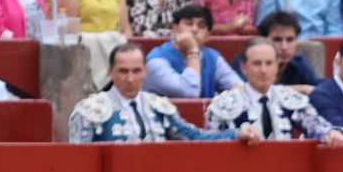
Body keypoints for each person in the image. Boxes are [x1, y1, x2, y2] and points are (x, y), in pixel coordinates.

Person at [70, 42, 264, 141]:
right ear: (110, 72)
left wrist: (236, 134)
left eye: (136, 71)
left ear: (145, 72)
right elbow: (79, 163)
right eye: (123, 71)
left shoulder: (158, 106)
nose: (130, 79)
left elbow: (195, 138)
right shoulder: (90, 110)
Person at [207, 33, 343, 137]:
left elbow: (315, 125)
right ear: (243, 67)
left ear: (277, 66)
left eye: (269, 63)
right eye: (256, 63)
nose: (263, 70)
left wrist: (330, 134)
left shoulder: (289, 98)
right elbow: (211, 143)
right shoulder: (224, 103)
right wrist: (236, 135)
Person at [145, 3, 242, 97]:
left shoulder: (213, 57)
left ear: (208, 35)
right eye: (188, 23)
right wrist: (192, 50)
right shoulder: (156, 60)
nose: (195, 29)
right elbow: (190, 92)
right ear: (175, 29)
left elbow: (240, 88)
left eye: (201, 26)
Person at [259, 9, 321, 87]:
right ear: (263, 40)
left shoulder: (298, 63)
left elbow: (318, 89)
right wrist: (302, 88)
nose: (284, 47)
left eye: (290, 40)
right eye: (277, 40)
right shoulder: (249, 61)